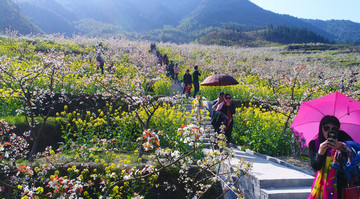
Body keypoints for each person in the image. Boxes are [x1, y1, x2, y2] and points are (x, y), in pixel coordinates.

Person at [308, 115, 353, 199]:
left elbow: (354, 157)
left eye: (334, 129)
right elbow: (315, 167)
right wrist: (320, 153)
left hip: (342, 184)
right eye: (326, 128)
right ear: (321, 129)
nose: (330, 131)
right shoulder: (314, 144)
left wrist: (342, 147)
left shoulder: (343, 137)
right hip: (321, 185)